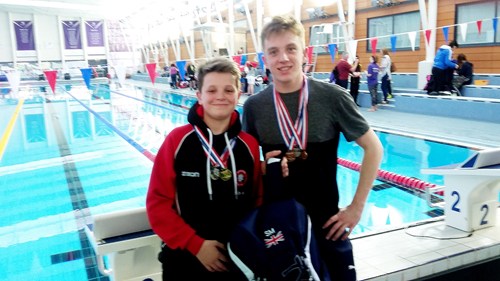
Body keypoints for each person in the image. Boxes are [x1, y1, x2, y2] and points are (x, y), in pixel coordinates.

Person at [242, 15, 383, 280]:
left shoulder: (333, 97)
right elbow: (245, 167)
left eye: (291, 49)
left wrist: (356, 208)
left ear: (304, 53)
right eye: (274, 51)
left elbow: (374, 149)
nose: (283, 58)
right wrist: (262, 167)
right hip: (280, 229)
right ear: (265, 59)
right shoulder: (254, 107)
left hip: (327, 224)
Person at [147, 57, 263, 281]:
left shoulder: (249, 145)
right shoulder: (177, 141)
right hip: (185, 257)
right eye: (212, 90)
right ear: (199, 96)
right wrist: (196, 245)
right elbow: (157, 203)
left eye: (228, 90)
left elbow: (257, 200)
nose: (220, 96)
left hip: (238, 258)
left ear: (238, 94)